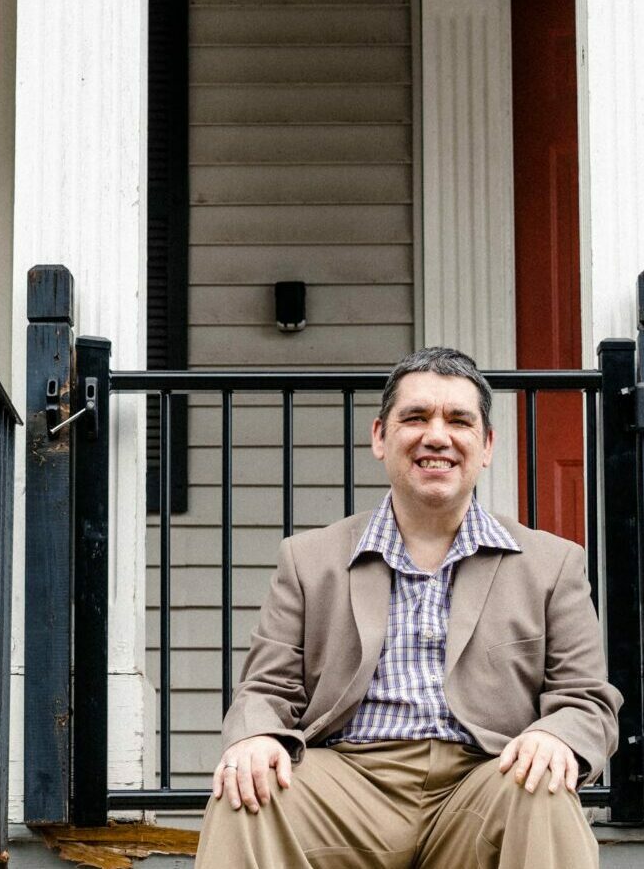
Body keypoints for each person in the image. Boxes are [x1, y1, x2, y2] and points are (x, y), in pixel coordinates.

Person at [197, 347, 620, 868]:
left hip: (484, 779)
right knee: (246, 792)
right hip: (348, 784)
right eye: (416, 417)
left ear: (486, 446)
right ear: (381, 436)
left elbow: (585, 700)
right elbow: (266, 688)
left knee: (544, 786)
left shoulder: (552, 564)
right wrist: (256, 736)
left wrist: (555, 736)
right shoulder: (310, 559)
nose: (436, 436)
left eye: (458, 421)